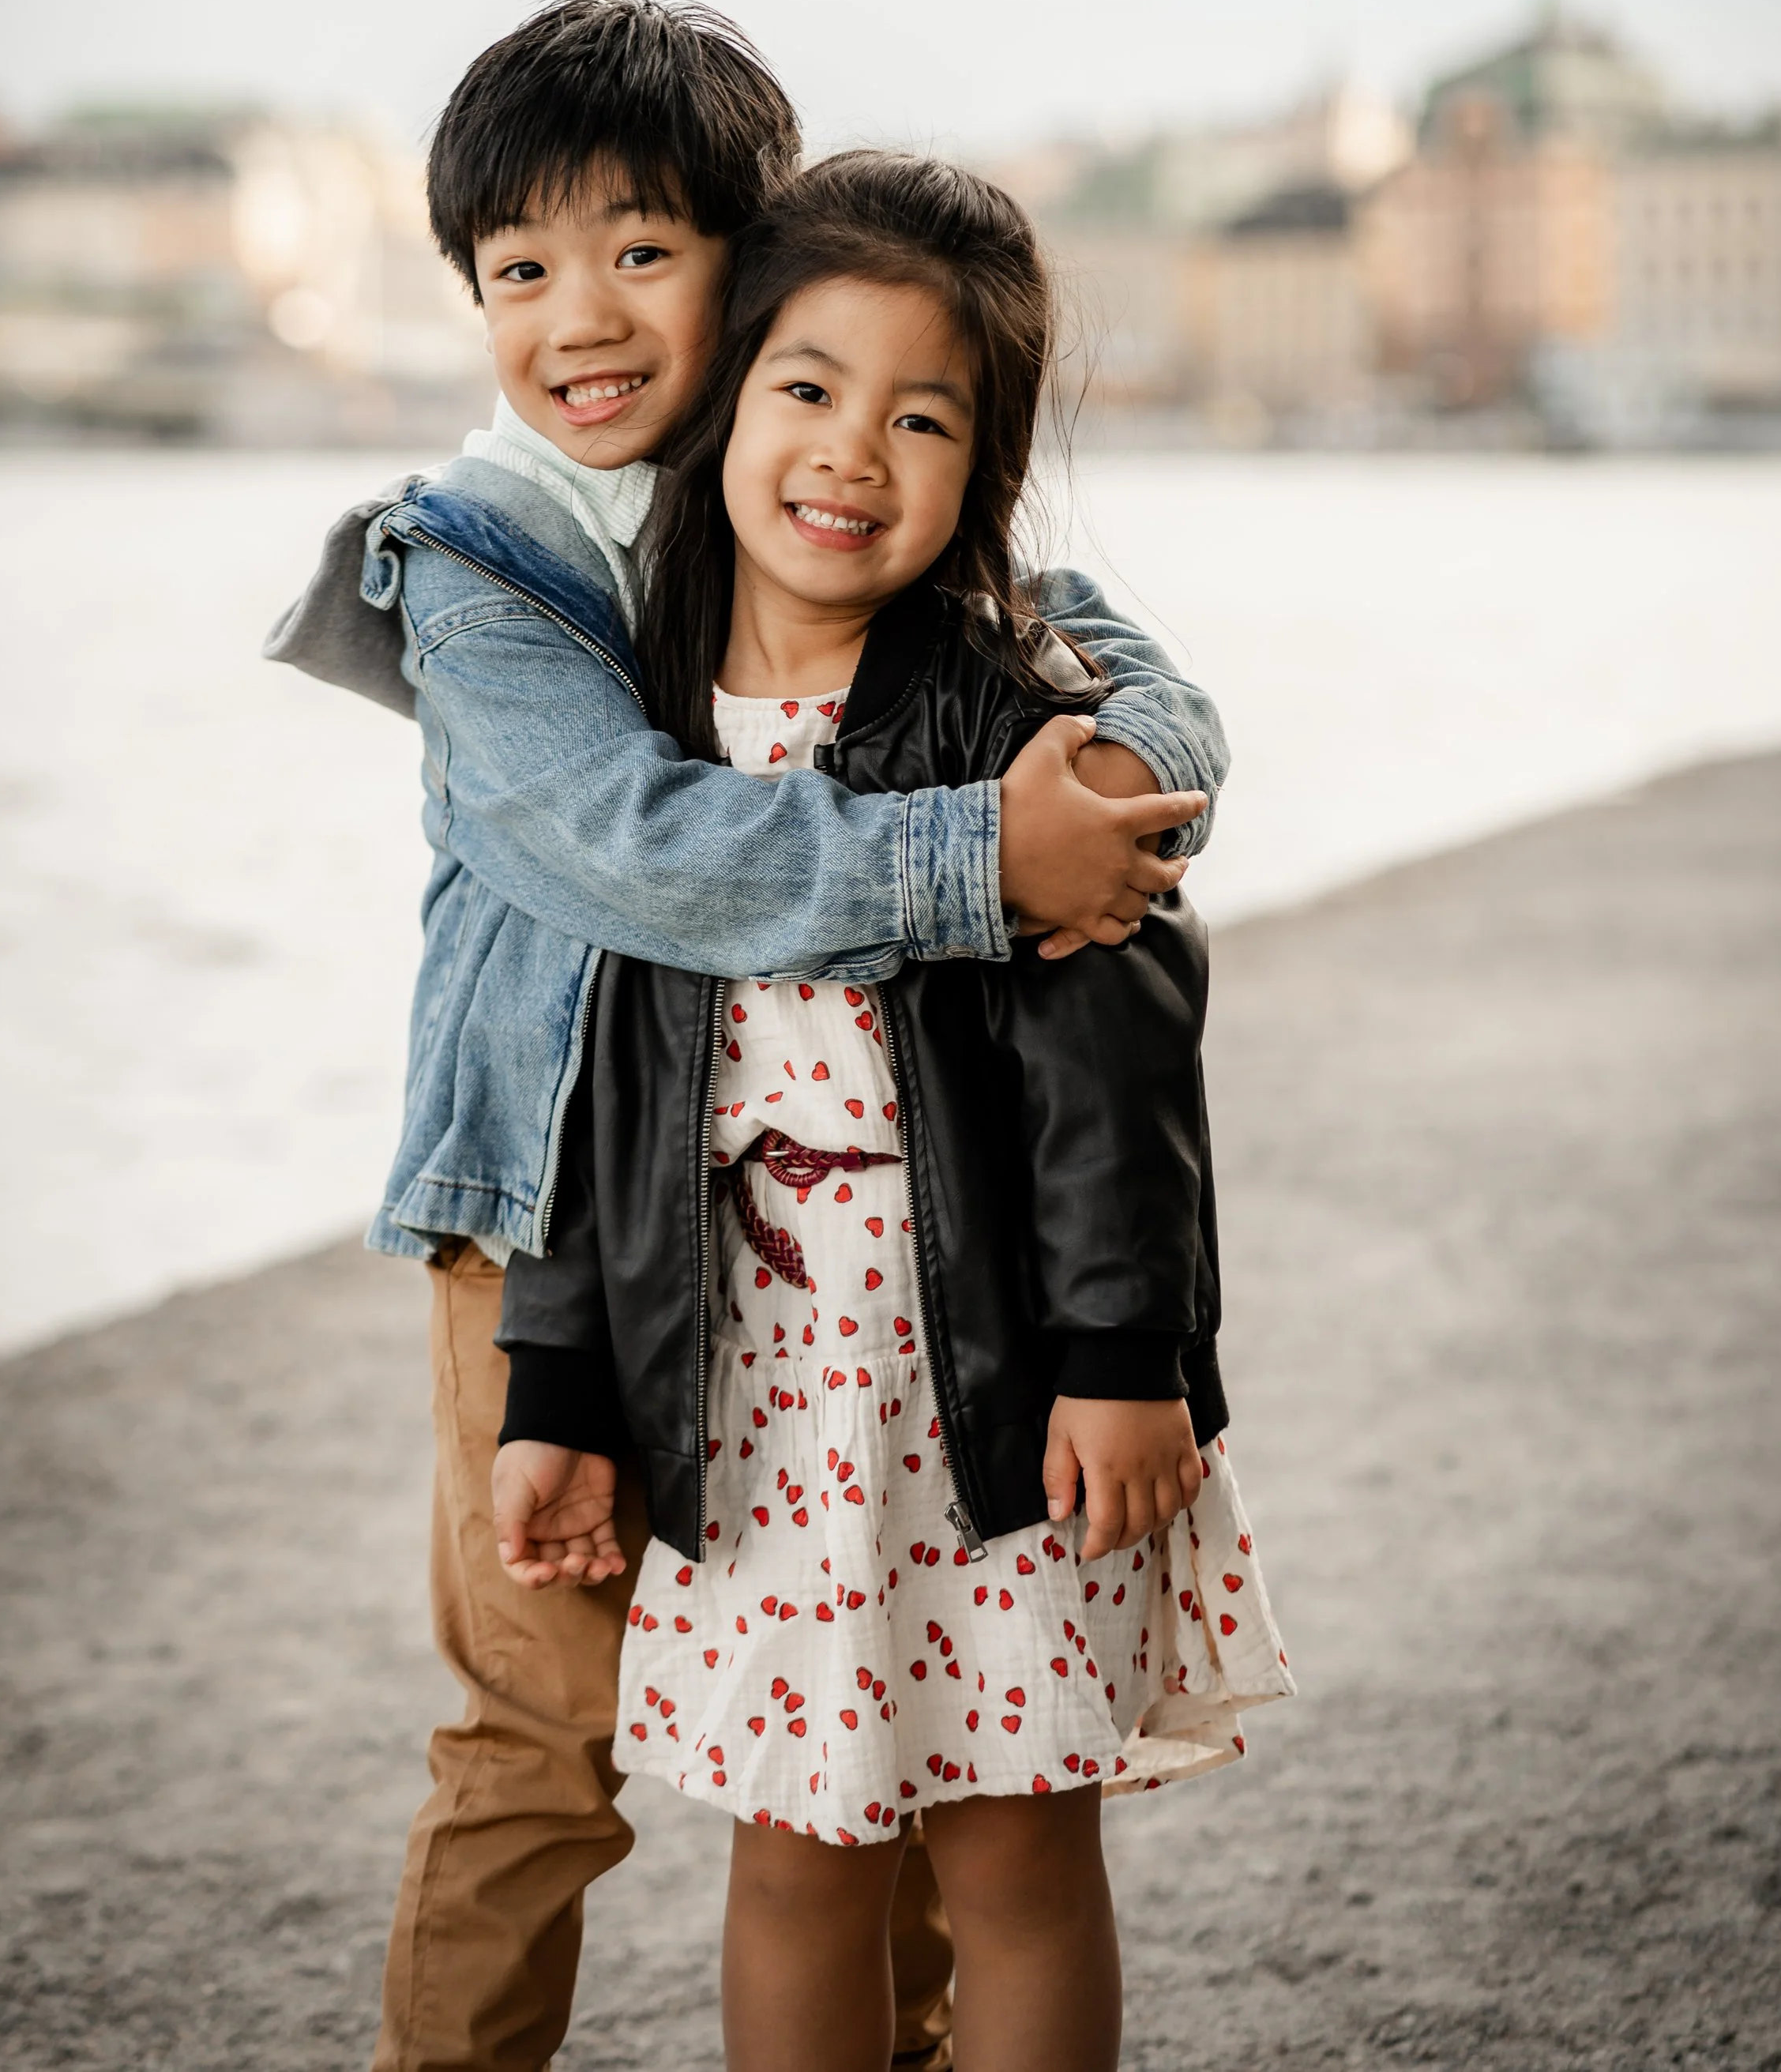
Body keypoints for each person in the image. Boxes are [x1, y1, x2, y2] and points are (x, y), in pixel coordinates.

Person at [265, 0, 1234, 2072]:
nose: (581, 315)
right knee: (543, 1733)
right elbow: (649, 862)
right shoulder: (488, 564)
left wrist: (1132, 776)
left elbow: (1098, 673)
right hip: (555, 1214)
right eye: (516, 270)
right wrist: (997, 848)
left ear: (752, 254)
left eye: (639, 249)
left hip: (885, 1305)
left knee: (874, 1738)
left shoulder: (818, 495)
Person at [490, 151, 1293, 2072]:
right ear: (723, 403)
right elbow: (592, 1096)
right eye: (808, 389)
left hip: (992, 1377)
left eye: (919, 417)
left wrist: (1124, 1351)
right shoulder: (641, 735)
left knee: (1017, 1857)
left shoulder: (1009, 718)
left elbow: (1122, 1063)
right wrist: (558, 1388)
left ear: (982, 471)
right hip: (753, 1396)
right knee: (792, 1859)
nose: (851, 453)